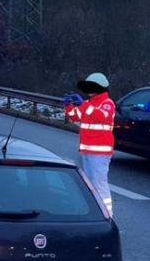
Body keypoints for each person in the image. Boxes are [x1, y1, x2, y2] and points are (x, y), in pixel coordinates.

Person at [64, 72, 115, 216]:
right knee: (89, 184)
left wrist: (84, 106)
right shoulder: (88, 104)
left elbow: (100, 117)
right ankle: (92, 212)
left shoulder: (107, 104)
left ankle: (107, 215)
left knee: (99, 184)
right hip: (87, 150)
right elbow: (76, 117)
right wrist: (69, 106)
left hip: (100, 152)